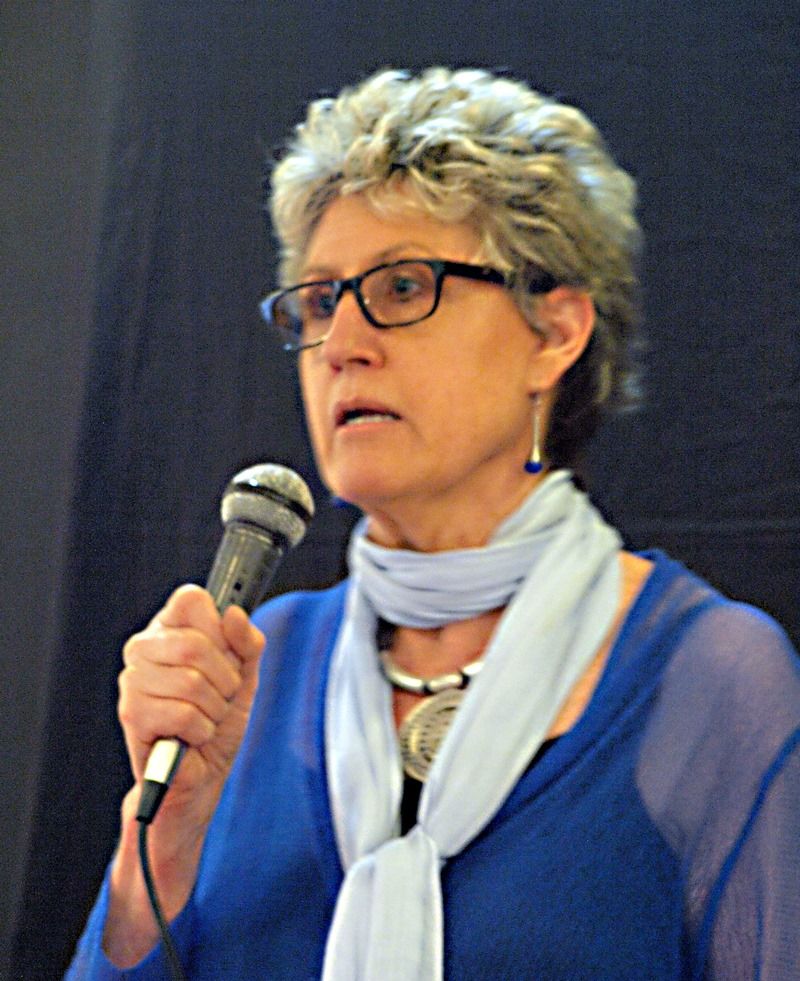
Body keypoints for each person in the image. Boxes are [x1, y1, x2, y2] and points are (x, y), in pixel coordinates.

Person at [66, 67, 799, 980]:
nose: (342, 345)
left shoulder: (712, 679)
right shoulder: (247, 668)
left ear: (554, 334)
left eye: (404, 286)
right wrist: (163, 844)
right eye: (320, 301)